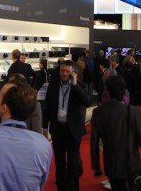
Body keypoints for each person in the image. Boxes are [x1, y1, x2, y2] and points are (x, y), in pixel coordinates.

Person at [91, 75, 141, 191]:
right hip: (132, 163)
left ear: (107, 91)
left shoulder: (98, 112)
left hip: (112, 164)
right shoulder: (133, 111)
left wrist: (96, 166)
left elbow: (94, 144)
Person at [42, 60, 89, 191]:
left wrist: (75, 85)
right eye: (62, 70)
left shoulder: (80, 86)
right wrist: (44, 126)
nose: (64, 73)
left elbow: (86, 102)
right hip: (58, 129)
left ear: (72, 73)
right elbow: (48, 105)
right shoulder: (53, 84)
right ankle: (61, 187)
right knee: (59, 162)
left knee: (73, 162)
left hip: (73, 130)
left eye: (67, 71)